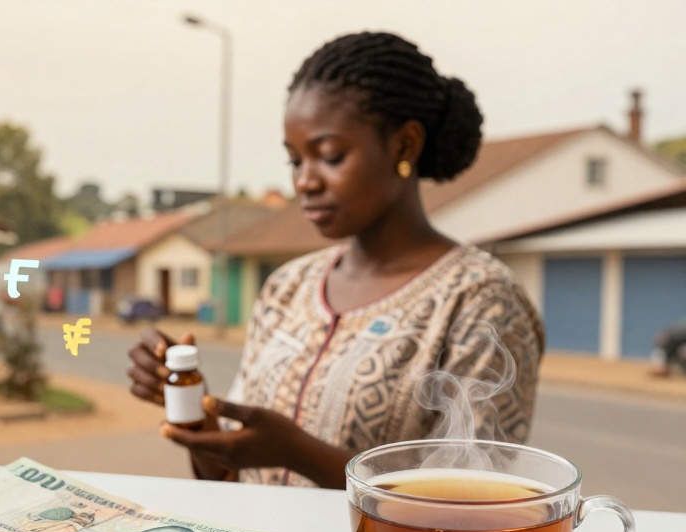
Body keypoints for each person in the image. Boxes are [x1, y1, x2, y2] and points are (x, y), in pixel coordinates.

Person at [127, 31, 544, 488]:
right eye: (294, 161)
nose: (305, 181)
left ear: (404, 145)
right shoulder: (288, 286)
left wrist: (299, 453)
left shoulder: (479, 300)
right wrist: (193, 410)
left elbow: (470, 503)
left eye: (329, 156)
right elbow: (232, 476)